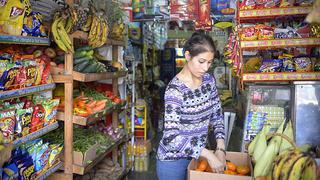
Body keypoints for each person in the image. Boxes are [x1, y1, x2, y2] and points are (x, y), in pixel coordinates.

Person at [156, 30, 226, 180]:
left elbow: (217, 115)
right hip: (173, 161)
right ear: (188, 56)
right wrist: (208, 154)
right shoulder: (175, 90)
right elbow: (171, 137)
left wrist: (220, 148)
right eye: (201, 62)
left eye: (209, 62)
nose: (205, 68)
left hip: (197, 157)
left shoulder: (208, 80)